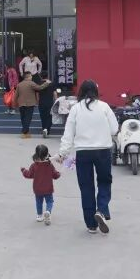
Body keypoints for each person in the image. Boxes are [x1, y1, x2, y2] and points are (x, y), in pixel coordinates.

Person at [58, 80, 118, 234]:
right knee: (104, 182)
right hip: (103, 150)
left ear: (81, 92)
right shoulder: (104, 106)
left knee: (86, 186)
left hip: (83, 152)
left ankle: (91, 224)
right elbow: (114, 129)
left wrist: (63, 153)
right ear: (96, 92)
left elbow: (68, 133)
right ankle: (101, 210)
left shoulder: (75, 108)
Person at [22, 144, 61, 224]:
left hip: (37, 189)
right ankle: (48, 212)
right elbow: (55, 176)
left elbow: (29, 175)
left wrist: (23, 170)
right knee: (49, 201)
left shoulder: (34, 166)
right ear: (47, 154)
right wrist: (59, 173)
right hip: (48, 188)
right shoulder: (49, 165)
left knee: (39, 202)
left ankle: (39, 216)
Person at [16, 72, 52, 138]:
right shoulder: (31, 83)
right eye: (31, 76)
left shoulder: (19, 84)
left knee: (23, 118)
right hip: (29, 104)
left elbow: (16, 95)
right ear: (28, 77)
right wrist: (47, 83)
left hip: (21, 103)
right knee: (28, 118)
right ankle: (24, 132)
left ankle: (26, 132)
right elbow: (40, 88)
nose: (31, 77)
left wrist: (15, 103)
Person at [36, 73, 57, 138]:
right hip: (50, 102)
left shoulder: (39, 84)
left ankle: (44, 129)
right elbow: (54, 93)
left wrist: (37, 101)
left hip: (41, 102)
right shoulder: (51, 84)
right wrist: (56, 100)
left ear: (41, 77)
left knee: (43, 117)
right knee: (49, 116)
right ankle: (47, 129)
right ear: (48, 77)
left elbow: (37, 94)